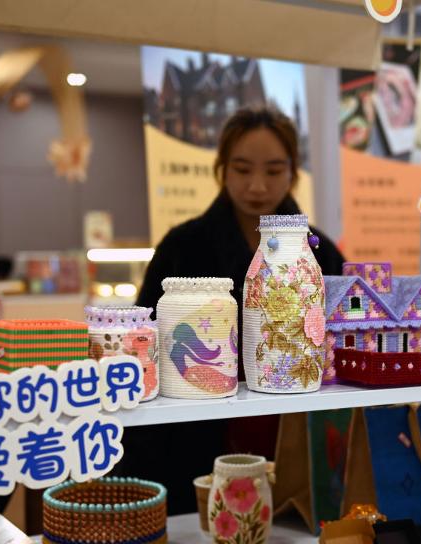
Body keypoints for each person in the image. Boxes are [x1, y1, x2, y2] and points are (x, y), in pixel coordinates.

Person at [121, 106, 345, 514]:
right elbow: (143, 340)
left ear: (293, 173)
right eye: (242, 169)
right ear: (222, 170)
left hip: (295, 427)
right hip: (195, 430)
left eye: (274, 170)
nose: (257, 185)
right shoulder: (182, 246)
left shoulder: (320, 252)